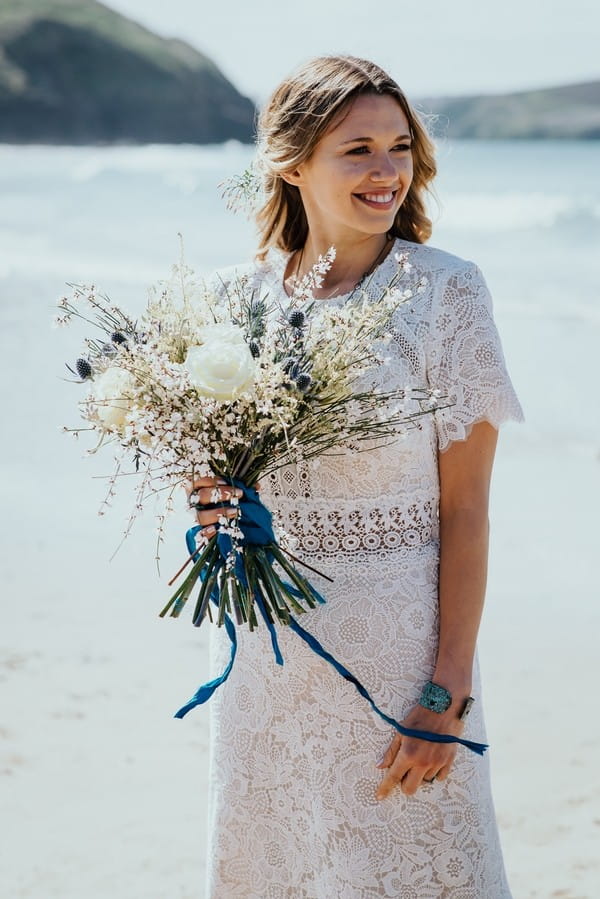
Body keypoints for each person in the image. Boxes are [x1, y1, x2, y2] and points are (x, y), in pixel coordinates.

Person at [189, 54, 525, 898]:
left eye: (399, 147)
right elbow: (213, 479)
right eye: (358, 149)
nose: (387, 171)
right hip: (269, 664)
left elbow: (469, 512)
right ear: (293, 161)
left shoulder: (446, 292)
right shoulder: (234, 302)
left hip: (399, 661)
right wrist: (211, 507)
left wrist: (446, 690)